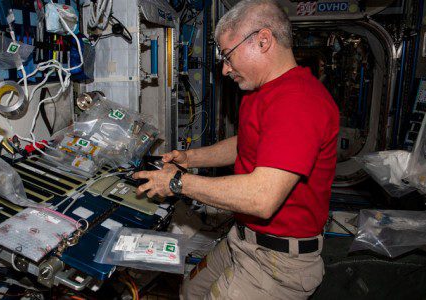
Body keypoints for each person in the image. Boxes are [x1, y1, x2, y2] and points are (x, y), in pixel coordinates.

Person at [133, 0, 340, 299]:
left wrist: (177, 183)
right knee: (191, 290)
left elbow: (261, 198)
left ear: (263, 40)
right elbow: (248, 144)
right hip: (242, 240)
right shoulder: (262, 92)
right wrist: (190, 158)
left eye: (228, 55)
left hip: (276, 264)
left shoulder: (298, 102)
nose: (226, 69)